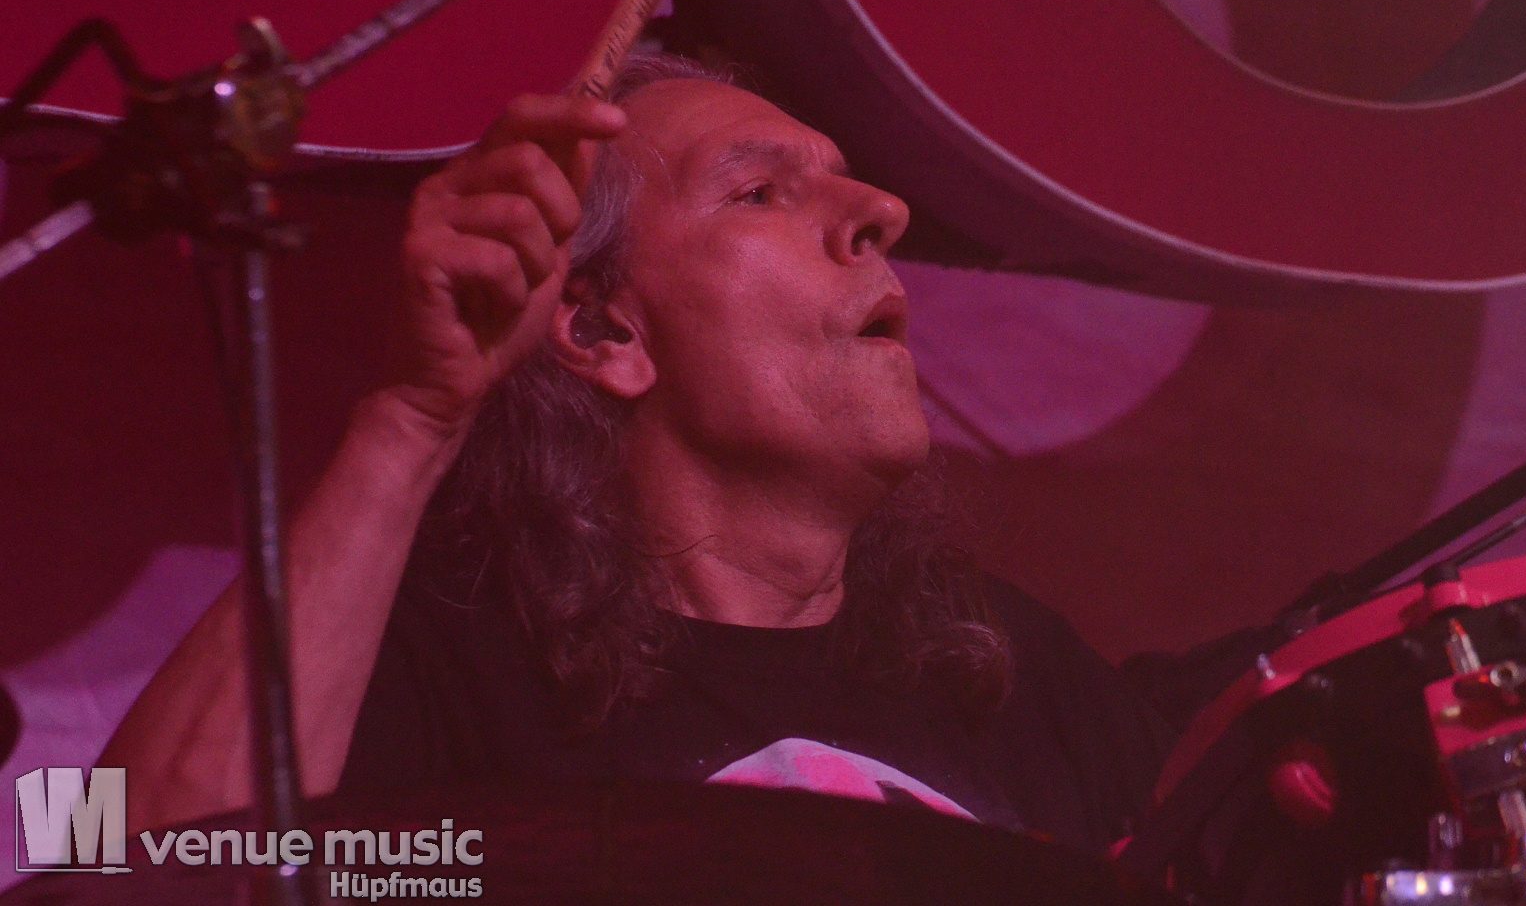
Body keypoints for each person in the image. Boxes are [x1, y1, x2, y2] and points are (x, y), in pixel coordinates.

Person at [100, 49, 1239, 854]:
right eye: (760, 192)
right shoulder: (437, 651)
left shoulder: (1013, 671)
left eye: (845, 179)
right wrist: (409, 418)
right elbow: (110, 859)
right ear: (604, 331)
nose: (883, 210)